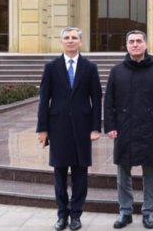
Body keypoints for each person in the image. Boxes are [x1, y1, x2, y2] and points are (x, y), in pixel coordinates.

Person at [36, 26, 103, 231]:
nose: (71, 41)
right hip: (58, 128)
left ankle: (76, 215)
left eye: (74, 38)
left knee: (80, 173)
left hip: (83, 128)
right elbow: (44, 99)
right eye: (67, 38)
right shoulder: (51, 67)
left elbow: (97, 98)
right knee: (60, 174)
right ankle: (61, 215)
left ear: (81, 42)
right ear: (62, 42)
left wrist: (95, 128)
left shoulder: (90, 67)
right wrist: (42, 129)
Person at [103, 30, 153, 229]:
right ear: (126, 45)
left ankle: (148, 212)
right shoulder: (117, 71)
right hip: (124, 128)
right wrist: (110, 126)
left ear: (146, 44)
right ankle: (125, 211)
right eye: (131, 41)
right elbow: (109, 102)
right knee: (123, 171)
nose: (135, 45)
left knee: (150, 171)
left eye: (139, 41)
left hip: (149, 129)